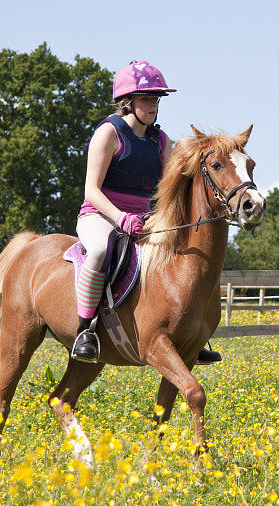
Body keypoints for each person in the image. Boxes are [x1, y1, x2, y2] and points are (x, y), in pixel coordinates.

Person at [72, 60, 221, 365]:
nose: (153, 106)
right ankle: (85, 330)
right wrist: (119, 218)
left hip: (143, 219)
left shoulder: (161, 140)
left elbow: (169, 189)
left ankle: (192, 334)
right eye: (146, 99)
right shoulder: (108, 134)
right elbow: (91, 190)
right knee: (100, 250)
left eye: (156, 100)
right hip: (99, 215)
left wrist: (157, 216)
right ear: (127, 102)